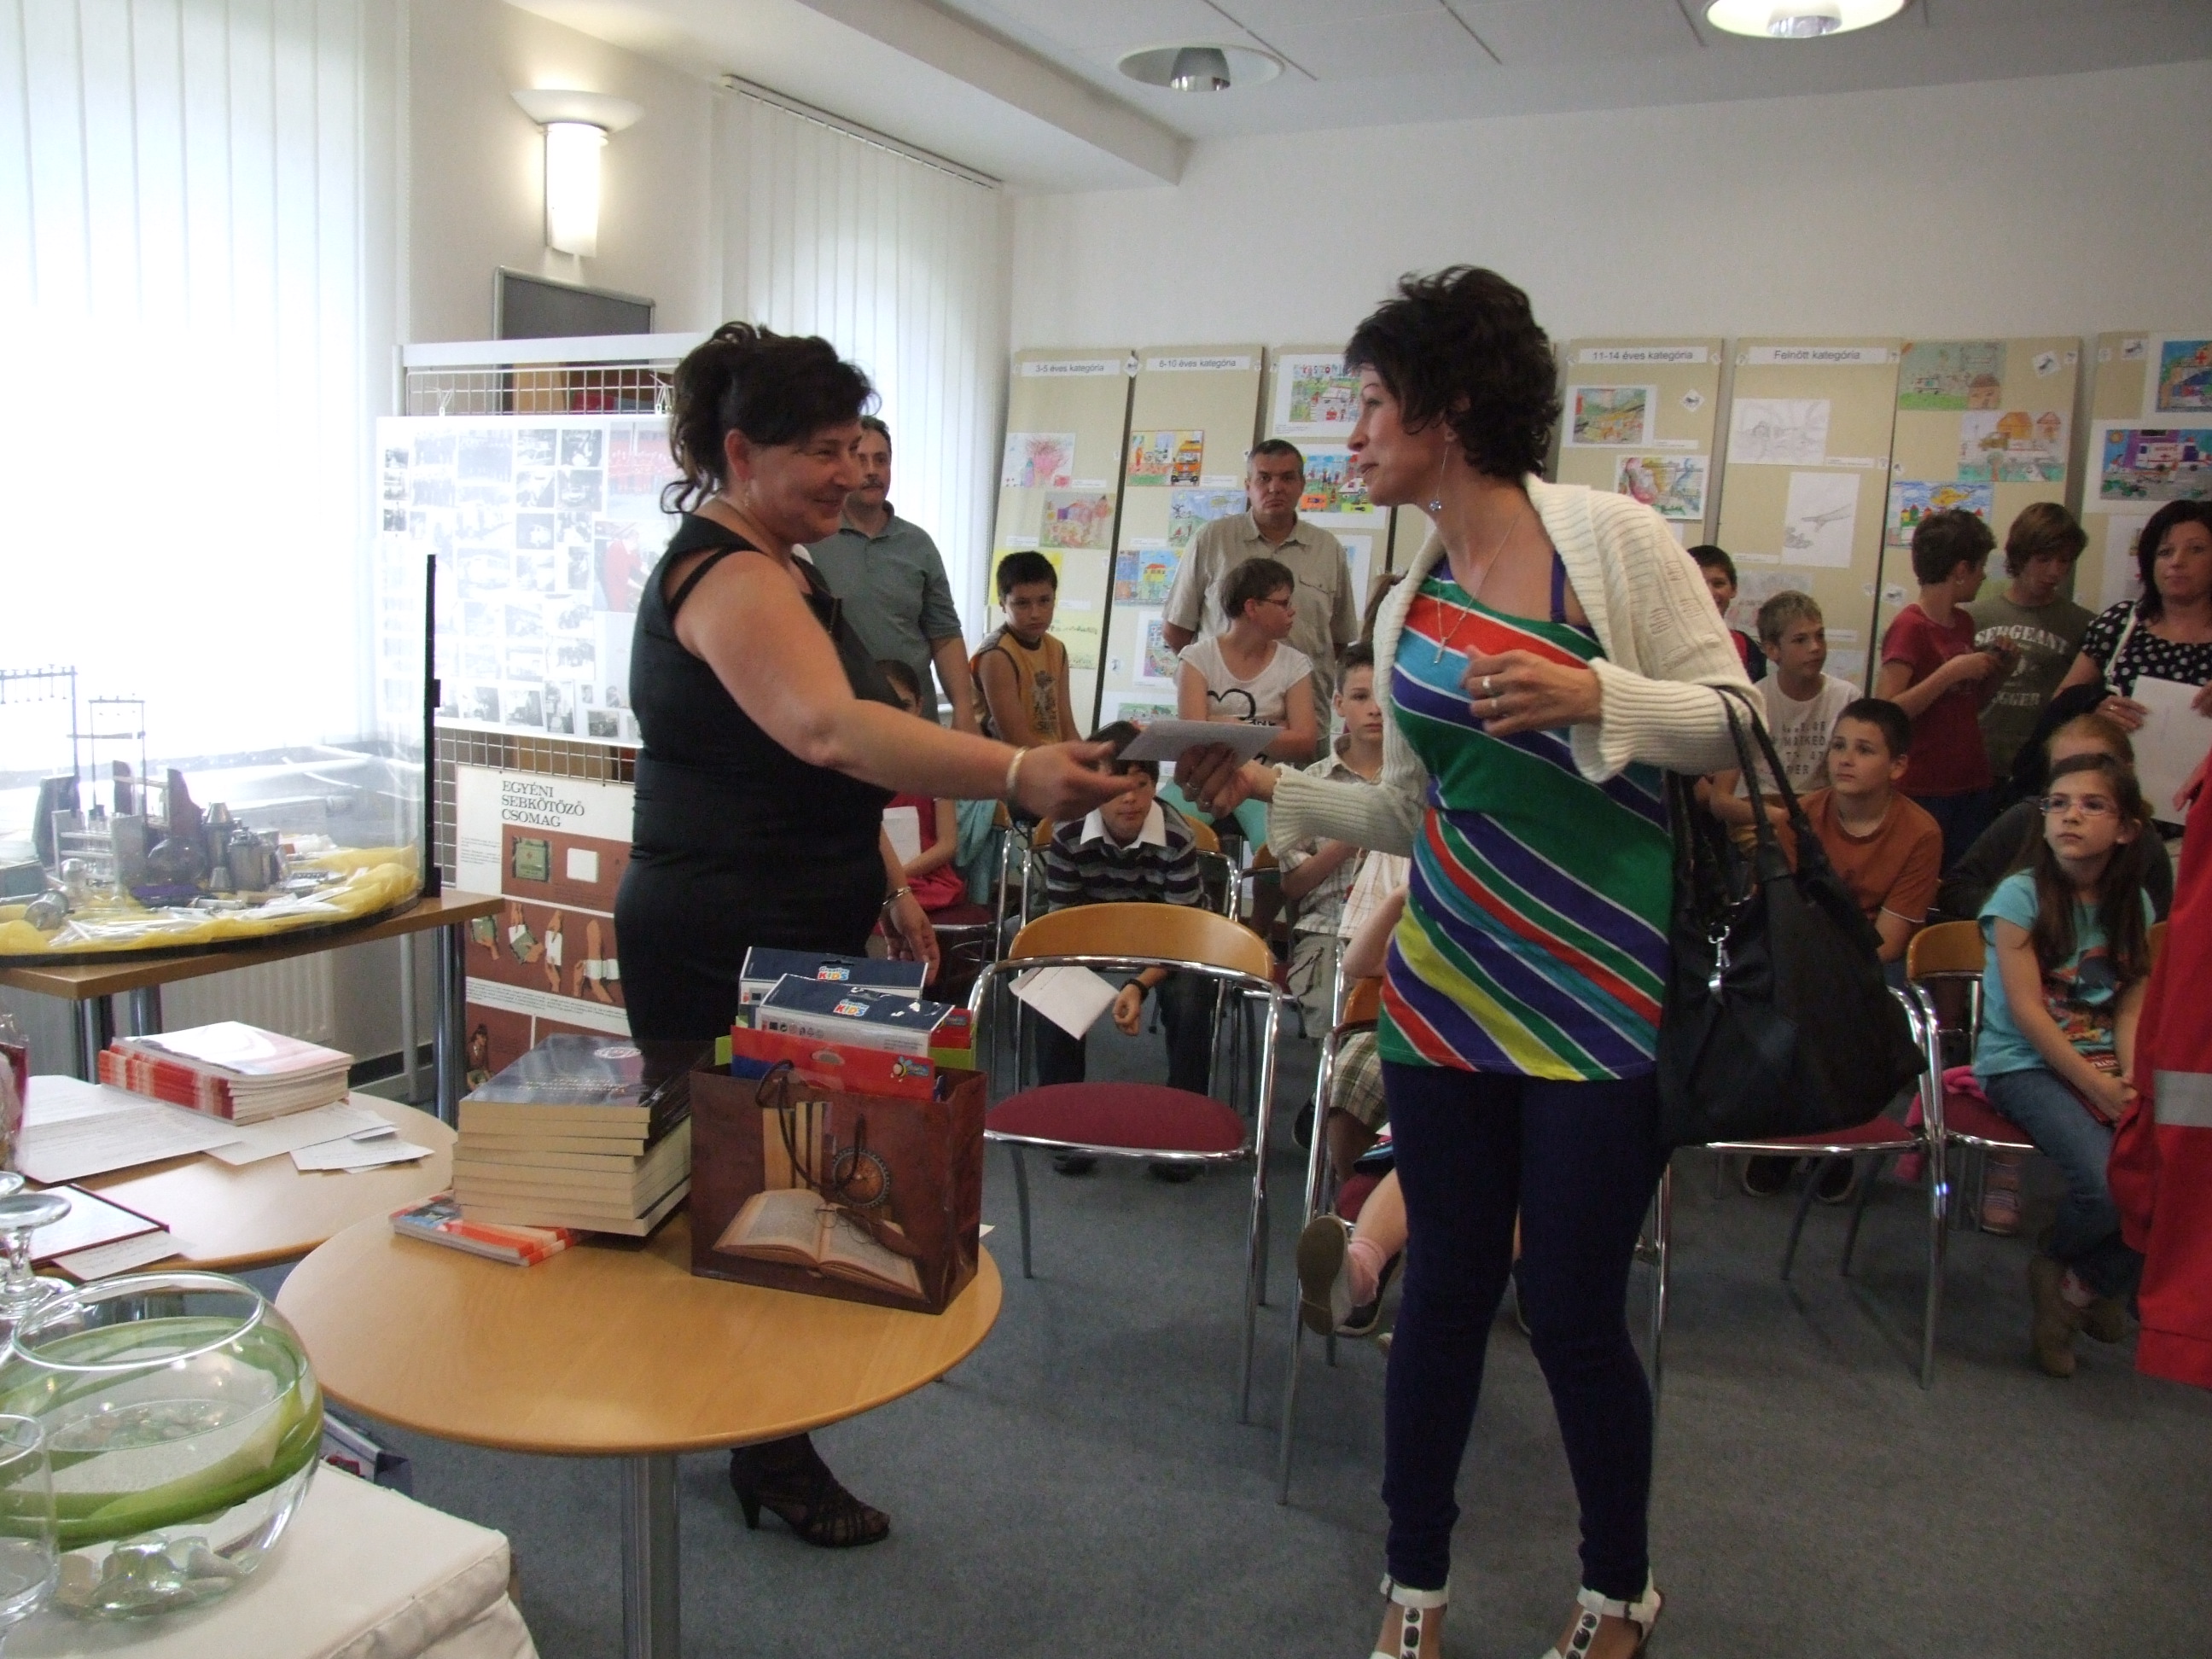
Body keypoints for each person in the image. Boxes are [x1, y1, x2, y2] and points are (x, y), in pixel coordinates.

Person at [1179, 266, 1752, 1659]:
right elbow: (1411, 809)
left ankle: (1617, 1592)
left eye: (1374, 403)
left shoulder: (1611, 541)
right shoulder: (1408, 597)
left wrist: (1596, 691)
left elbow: (1735, 721)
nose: (1353, 434)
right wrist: (1267, 787)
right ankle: (1413, 1586)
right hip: (1446, 986)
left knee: (1569, 1307)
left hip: (1599, 994)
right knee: (1438, 1293)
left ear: (1454, 407)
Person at [614, 323, 1126, 1551]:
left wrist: (885, 874)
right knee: (752, 1201)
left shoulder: (783, 564)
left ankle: (765, 1438)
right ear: (741, 453)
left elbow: (808, 763)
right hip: (720, 937)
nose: (853, 474)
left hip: (798, 918)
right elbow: (830, 732)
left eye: (859, 448)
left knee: (799, 1194)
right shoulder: (727, 575)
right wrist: (1016, 771)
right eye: (824, 452)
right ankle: (759, 1448)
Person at [1974, 752, 2157, 1377]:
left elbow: (2130, 1008)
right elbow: (2028, 1014)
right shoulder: (2018, 895)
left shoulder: (2134, 904)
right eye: (2058, 803)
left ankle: (2085, 1284)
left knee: (2171, 1167)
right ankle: (2059, 1263)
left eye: (2091, 805)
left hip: (2101, 1059)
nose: (2069, 816)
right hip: (2022, 1063)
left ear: (2127, 829)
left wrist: (2129, 1078)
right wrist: (2098, 1088)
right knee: (2107, 1186)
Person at [1738, 701, 1941, 1202]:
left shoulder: (1921, 832)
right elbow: (1778, 913)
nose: (1845, 759)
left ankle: (1837, 1137)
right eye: (1839, 746)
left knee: (1853, 1005)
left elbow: (1890, 940)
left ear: (1897, 766)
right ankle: (1791, 1131)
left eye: (1865, 750)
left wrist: (1827, 959)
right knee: (1787, 994)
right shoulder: (1801, 816)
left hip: (1869, 959)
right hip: (1800, 949)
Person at [1033, 725, 1214, 1179]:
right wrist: (1086, 975)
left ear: (1154, 786)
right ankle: (1063, 1125)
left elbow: (1182, 939)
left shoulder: (1177, 837)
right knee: (1052, 980)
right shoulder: (1068, 833)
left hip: (1168, 944)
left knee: (1191, 994)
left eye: (1142, 784)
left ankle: (1184, 1131)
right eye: (1116, 786)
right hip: (1089, 937)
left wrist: (1138, 984)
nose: (1130, 798)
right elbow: (1063, 929)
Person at [804, 416, 978, 731]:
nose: (872, 471)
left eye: (881, 460)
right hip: (846, 722)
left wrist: (964, 710)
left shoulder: (918, 544)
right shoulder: (812, 540)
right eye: (861, 460)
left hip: (916, 720)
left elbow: (945, 635)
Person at [1160, 439, 1361, 706]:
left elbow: (1337, 640)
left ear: (1302, 485)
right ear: (1248, 486)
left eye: (1287, 478)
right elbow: (1176, 630)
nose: (1275, 487)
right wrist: (1211, 678)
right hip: (1222, 708)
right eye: (1264, 478)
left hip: (1303, 711)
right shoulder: (1212, 540)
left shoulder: (1328, 549)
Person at [1875, 509, 2017, 869]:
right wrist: (1950, 673)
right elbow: (1886, 711)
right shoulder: (1910, 626)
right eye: (1980, 566)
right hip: (1924, 786)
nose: (1984, 576)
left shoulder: (1964, 622)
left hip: (1971, 781)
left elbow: (1968, 705)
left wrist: (2000, 672)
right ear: (1961, 570)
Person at [1938, 713, 2174, 924]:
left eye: (2091, 765)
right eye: (2062, 769)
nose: (2072, 815)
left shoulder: (2145, 846)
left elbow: (2158, 932)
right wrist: (2021, 914)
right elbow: (1956, 888)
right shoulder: (2026, 818)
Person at [2053, 501, 2212, 807]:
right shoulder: (2120, 623)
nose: (2177, 561)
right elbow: (2062, 701)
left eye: (2196, 550)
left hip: (2203, 807)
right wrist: (2094, 708)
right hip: (2112, 800)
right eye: (2165, 551)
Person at [1279, 642, 1386, 1037]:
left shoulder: (1416, 782)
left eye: (1385, 696)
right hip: (1328, 931)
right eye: (1361, 697)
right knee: (1332, 1012)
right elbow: (1292, 886)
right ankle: (1331, 1078)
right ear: (1339, 704)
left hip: (1400, 930)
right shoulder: (1309, 783)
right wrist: (1354, 831)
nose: (1375, 709)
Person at [1698, 590, 1852, 835]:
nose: (1815, 647)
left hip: (1819, 815)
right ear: (1772, 650)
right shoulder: (1750, 703)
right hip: (1760, 818)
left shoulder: (1847, 698)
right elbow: (1721, 801)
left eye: (1820, 636)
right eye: (1800, 640)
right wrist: (1784, 818)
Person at [1970, 503, 2094, 780]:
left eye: (2064, 561)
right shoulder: (1973, 617)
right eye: (2043, 559)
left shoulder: (2084, 624)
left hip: (2040, 764)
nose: (2054, 572)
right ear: (2020, 557)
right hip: (1976, 760)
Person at [1175, 556, 1319, 765]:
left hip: (1272, 783)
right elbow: (1194, 741)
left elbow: (1305, 746)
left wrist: (1227, 725)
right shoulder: (1197, 659)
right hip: (1209, 780)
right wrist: (1274, 727)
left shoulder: (1295, 664)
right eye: (1283, 603)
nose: (1292, 610)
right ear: (1252, 607)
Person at [876, 661, 969, 913]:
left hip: (926, 879)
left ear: (919, 705)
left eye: (904, 705)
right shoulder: (859, 766)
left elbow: (947, 845)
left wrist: (899, 877)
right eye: (885, 704)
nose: (895, 715)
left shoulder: (935, 767)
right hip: (875, 878)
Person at [973, 550, 1078, 748]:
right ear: (1003, 603)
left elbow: (1067, 726)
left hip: (1048, 756)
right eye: (1022, 603)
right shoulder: (997, 655)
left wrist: (1086, 759)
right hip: (1005, 760)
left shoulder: (1057, 649)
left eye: (1044, 601)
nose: (1035, 613)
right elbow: (1016, 740)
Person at [1689, 544, 1767, 683]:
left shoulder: (1747, 648)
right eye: (1699, 584)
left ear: (1734, 589)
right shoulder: (1659, 646)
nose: (1709, 593)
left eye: (1718, 584)